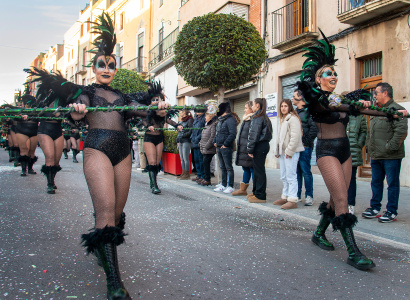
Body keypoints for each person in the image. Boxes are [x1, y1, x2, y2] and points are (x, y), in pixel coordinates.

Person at [28, 13, 170, 299]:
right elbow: (75, 111)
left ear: (116, 69)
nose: (106, 68)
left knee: (115, 216)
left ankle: (103, 250)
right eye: (101, 64)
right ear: (93, 67)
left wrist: (159, 109)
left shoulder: (122, 95)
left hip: (122, 151)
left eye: (111, 65)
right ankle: (114, 285)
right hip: (97, 149)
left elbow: (142, 110)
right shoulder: (86, 92)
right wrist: (76, 111)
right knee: (105, 213)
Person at [297, 31, 408, 270]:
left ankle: (318, 234)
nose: (333, 75)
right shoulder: (318, 100)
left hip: (345, 152)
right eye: (328, 73)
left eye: (335, 72)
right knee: (342, 200)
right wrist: (355, 104)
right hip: (327, 152)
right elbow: (336, 105)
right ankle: (353, 252)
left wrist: (393, 112)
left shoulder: (339, 99)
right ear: (318, 80)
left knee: (335, 200)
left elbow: (367, 111)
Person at [362, 82, 408, 222]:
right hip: (376, 154)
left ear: (385, 93)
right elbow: (372, 132)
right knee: (376, 182)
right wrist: (370, 149)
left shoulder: (397, 110)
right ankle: (375, 207)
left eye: (376, 92)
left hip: (390, 156)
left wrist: (390, 148)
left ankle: (391, 211)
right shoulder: (376, 110)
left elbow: (401, 132)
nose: (374, 95)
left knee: (392, 184)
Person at [143, 97, 181, 193]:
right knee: (151, 162)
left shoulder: (164, 116)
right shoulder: (149, 115)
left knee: (156, 163)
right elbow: (144, 121)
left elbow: (170, 121)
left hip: (159, 139)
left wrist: (177, 125)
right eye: (163, 110)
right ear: (157, 111)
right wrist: (148, 126)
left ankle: (153, 182)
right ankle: (154, 186)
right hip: (149, 139)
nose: (165, 112)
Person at [273, 99, 304, 208]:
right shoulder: (283, 119)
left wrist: (290, 151)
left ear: (290, 107)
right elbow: (280, 138)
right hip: (283, 152)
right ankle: (285, 197)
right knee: (283, 176)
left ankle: (292, 199)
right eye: (282, 106)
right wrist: (278, 151)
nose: (283, 108)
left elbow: (295, 137)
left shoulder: (293, 119)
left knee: (291, 176)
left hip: (291, 152)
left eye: (286, 106)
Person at [292, 89, 318, 206]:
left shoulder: (309, 112)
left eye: (294, 97)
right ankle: (297, 195)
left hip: (305, 147)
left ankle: (309, 196)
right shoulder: (294, 112)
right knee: (297, 172)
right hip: (295, 148)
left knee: (306, 172)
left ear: (300, 98)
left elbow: (314, 129)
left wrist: (306, 142)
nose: (292, 99)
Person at [246, 98, 273, 203]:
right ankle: (256, 192)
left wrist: (250, 149)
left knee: (259, 171)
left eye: (253, 104)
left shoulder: (258, 118)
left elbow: (254, 135)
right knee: (257, 170)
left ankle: (260, 196)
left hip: (259, 146)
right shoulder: (263, 117)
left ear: (257, 105)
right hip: (262, 145)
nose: (252, 107)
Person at [37, 103, 64, 194]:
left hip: (58, 130)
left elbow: (69, 117)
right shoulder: (43, 99)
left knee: (56, 160)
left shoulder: (62, 101)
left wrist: (60, 114)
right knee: (50, 156)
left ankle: (52, 178)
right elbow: (35, 113)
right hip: (44, 129)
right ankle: (50, 184)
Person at [213, 102, 238, 194]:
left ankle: (230, 186)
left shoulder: (230, 120)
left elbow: (232, 134)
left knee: (228, 167)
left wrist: (226, 144)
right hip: (219, 146)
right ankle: (223, 184)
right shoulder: (221, 119)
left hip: (225, 147)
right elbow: (218, 132)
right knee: (222, 167)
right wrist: (214, 142)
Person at [232, 100, 254, 196]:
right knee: (246, 168)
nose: (244, 110)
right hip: (243, 148)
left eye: (246, 108)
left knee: (252, 169)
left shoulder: (253, 119)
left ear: (251, 109)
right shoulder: (246, 119)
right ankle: (243, 189)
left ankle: (256, 191)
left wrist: (250, 148)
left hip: (249, 149)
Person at [346, 113, 367, 214]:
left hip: (353, 151)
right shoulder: (339, 114)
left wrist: (358, 144)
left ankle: (350, 204)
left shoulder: (359, 116)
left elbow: (363, 131)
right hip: (339, 150)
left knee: (351, 179)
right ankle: (339, 203)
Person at [198, 100, 218, 186]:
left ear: (210, 116)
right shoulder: (207, 124)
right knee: (204, 163)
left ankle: (207, 179)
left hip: (209, 148)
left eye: (206, 115)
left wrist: (206, 146)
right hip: (204, 147)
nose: (205, 117)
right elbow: (204, 135)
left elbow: (212, 136)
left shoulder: (213, 124)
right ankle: (205, 178)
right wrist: (201, 144)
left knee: (206, 163)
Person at [176, 109, 194, 180]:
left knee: (185, 158)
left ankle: (187, 174)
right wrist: (178, 139)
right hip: (180, 140)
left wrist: (183, 135)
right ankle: (183, 172)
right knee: (181, 158)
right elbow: (179, 131)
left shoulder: (190, 120)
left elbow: (190, 131)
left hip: (186, 140)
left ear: (184, 113)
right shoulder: (182, 120)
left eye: (180, 112)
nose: (179, 113)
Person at [190, 107, 206, 183]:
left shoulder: (204, 118)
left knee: (201, 160)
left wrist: (197, 138)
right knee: (196, 159)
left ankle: (202, 176)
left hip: (200, 141)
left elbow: (204, 130)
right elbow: (193, 129)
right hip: (194, 141)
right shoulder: (196, 118)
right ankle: (199, 175)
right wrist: (192, 138)